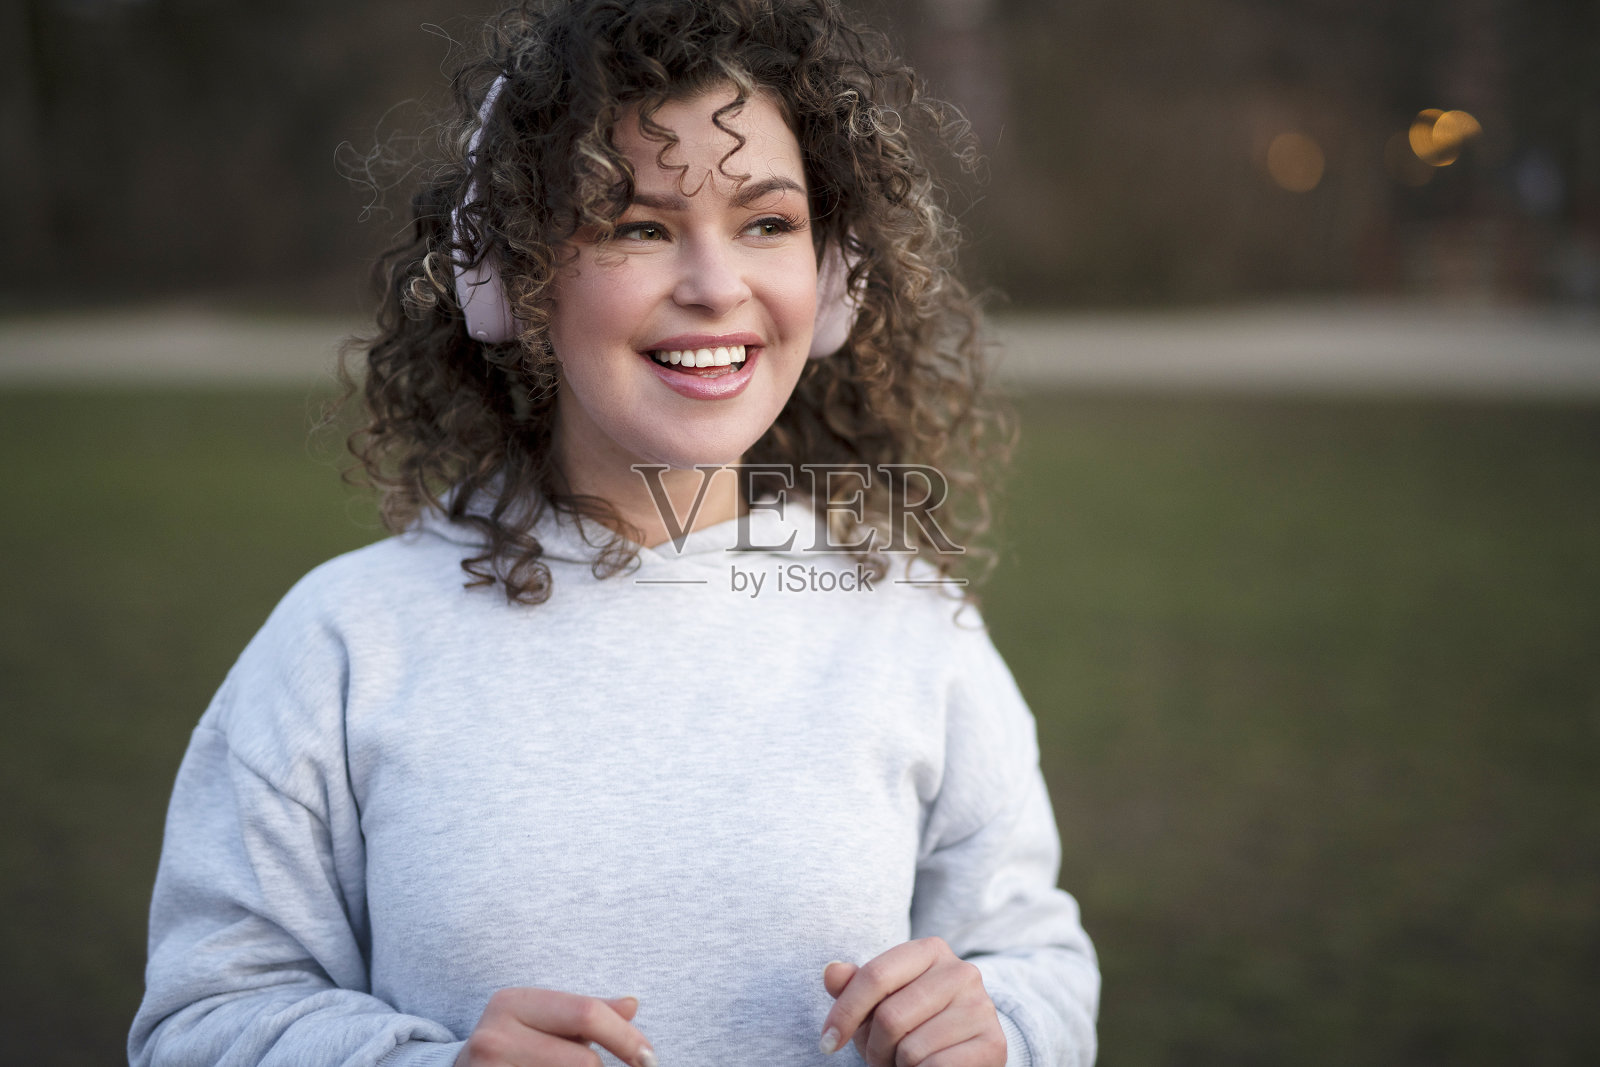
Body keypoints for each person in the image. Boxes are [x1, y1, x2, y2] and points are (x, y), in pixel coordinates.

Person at [128, 1, 1099, 1064]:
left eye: (767, 223)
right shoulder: (343, 643)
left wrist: (1000, 1030)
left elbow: (1036, 962)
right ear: (514, 277)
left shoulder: (915, 629)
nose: (716, 286)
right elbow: (200, 1018)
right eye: (637, 225)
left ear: (833, 277)